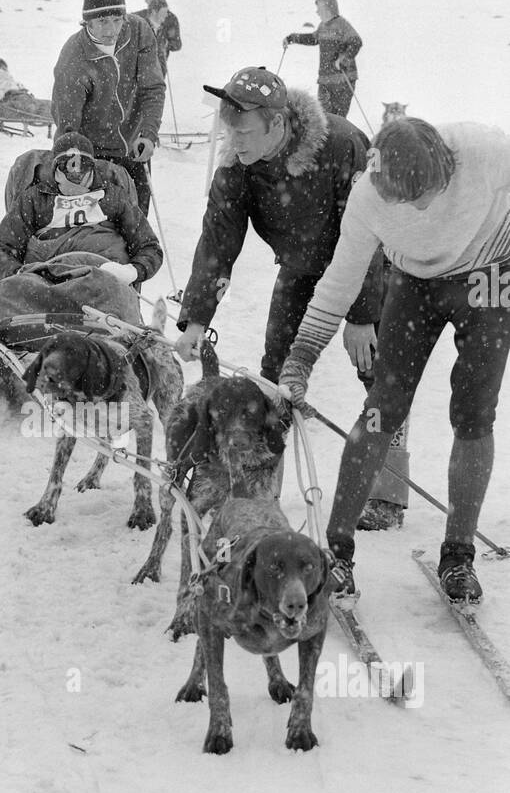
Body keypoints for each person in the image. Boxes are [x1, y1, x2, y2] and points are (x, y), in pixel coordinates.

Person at [279, 117, 510, 603]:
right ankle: (337, 553)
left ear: (447, 164)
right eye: (406, 200)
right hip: (415, 284)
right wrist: (301, 358)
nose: (422, 207)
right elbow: (341, 279)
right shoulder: (369, 197)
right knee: (382, 408)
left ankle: (458, 556)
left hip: (488, 279)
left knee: (473, 414)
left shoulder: (488, 148)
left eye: (428, 192)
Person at [173, 66, 406, 529]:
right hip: (300, 269)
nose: (233, 141)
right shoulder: (236, 167)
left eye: (243, 132)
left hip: (367, 266)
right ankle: (259, 493)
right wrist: (197, 317)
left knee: (379, 376)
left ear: (277, 125)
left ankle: (390, 491)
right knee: (274, 382)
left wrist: (361, 314)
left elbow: (370, 233)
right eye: (228, 130)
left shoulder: (341, 145)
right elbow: (219, 241)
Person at [51, 0, 165, 216]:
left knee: (136, 224)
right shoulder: (74, 58)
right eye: (102, 22)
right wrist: (73, 166)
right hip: (95, 155)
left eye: (116, 19)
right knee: (102, 228)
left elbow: (152, 88)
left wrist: (148, 134)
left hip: (136, 147)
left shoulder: (139, 31)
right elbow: (67, 124)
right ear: (87, 23)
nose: (111, 29)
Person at [0, 131, 162, 285]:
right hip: (46, 282)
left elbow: (149, 246)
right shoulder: (34, 199)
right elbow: (3, 248)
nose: (76, 174)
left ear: (93, 166)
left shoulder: (114, 197)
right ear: (54, 167)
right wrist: (17, 275)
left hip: (104, 282)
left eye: (83, 166)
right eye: (67, 166)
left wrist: (132, 272)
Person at [284, 0, 362, 118]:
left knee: (338, 119)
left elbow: (356, 42)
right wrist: (292, 38)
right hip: (326, 80)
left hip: (343, 80)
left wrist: (344, 59)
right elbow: (313, 39)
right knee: (323, 117)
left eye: (319, 9)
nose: (317, 12)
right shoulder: (323, 26)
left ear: (328, 9)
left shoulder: (342, 25)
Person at [135, 0, 182, 77]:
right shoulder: (140, 16)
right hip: (138, 66)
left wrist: (165, 43)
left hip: (159, 67)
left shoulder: (171, 20)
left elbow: (177, 45)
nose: (145, 0)